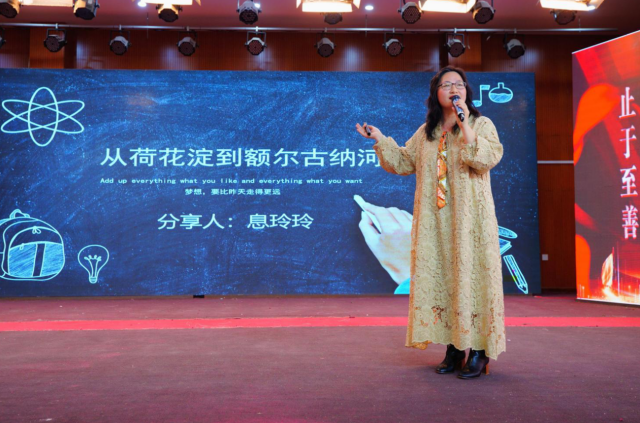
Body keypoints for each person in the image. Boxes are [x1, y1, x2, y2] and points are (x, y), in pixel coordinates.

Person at [355, 66, 506, 379]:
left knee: (474, 280)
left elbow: (483, 160)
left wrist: (464, 123)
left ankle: (480, 351)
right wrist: (379, 138)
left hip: (470, 222)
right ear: (436, 93)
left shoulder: (481, 124)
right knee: (444, 281)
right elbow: (402, 162)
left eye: (458, 84)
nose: (453, 89)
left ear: (467, 91)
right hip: (434, 223)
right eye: (446, 85)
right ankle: (454, 348)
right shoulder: (427, 132)